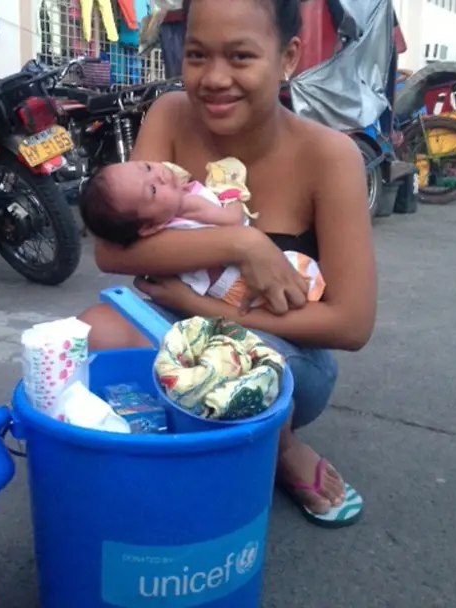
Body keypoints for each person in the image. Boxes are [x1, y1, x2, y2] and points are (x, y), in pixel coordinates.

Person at [76, 0, 377, 526]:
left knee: (237, 371)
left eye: (240, 57)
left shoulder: (329, 157)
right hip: (173, 326)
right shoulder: (170, 114)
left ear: (288, 57)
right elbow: (115, 249)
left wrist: (203, 307)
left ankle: (281, 451)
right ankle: (170, 450)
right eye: (196, 55)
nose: (214, 79)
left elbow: (350, 324)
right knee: (87, 339)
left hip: (278, 348)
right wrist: (244, 245)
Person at [78, 158, 326, 310]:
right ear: (149, 227)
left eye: (146, 166)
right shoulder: (187, 206)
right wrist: (232, 193)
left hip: (221, 289)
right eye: (153, 190)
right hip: (239, 285)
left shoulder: (163, 219)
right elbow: (233, 221)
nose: (160, 174)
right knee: (296, 284)